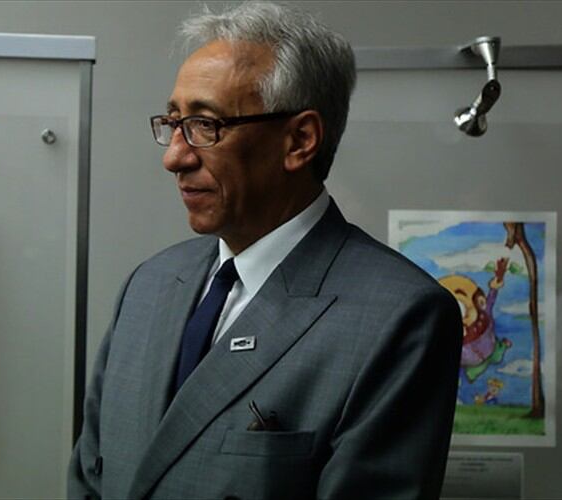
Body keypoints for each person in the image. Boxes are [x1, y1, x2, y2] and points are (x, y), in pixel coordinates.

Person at [69, 2, 462, 498]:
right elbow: (89, 479)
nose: (174, 156)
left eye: (205, 125)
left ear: (299, 140)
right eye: (173, 122)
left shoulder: (399, 318)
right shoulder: (147, 287)